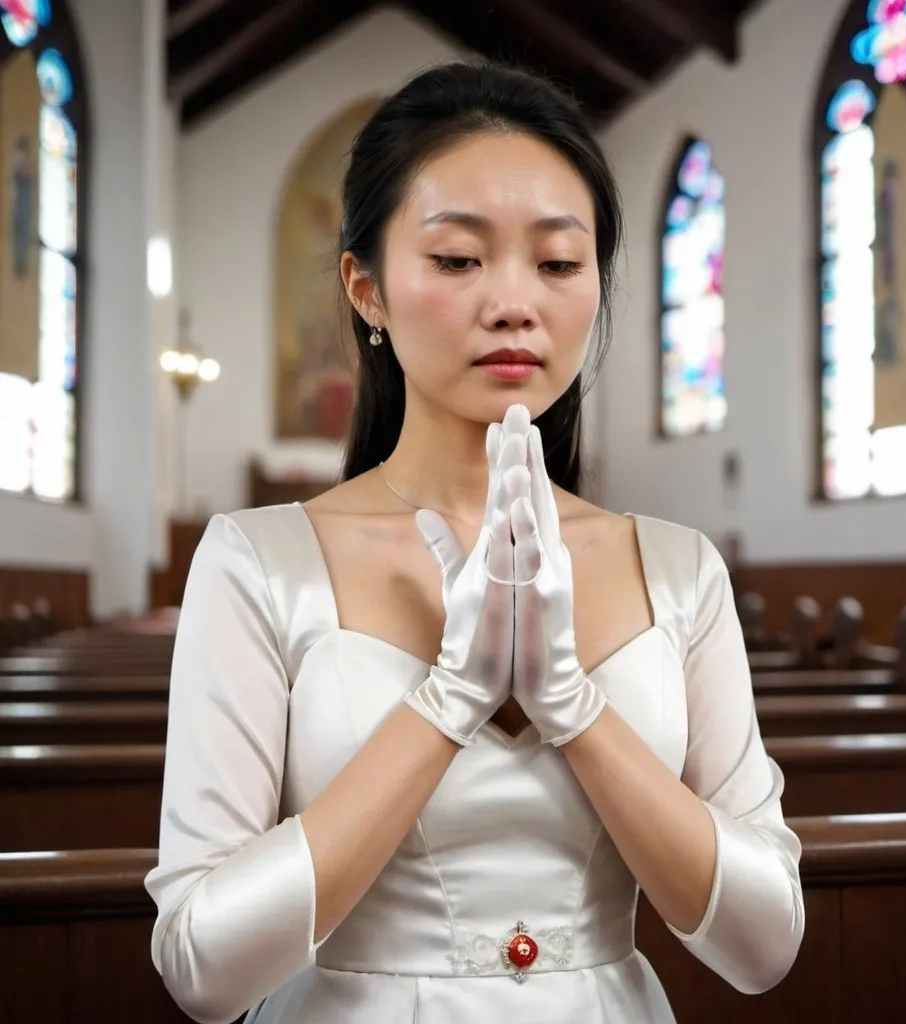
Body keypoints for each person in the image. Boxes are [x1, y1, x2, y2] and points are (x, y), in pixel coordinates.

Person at [145, 61, 804, 1024]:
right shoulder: (257, 561)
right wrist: (447, 699)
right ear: (365, 288)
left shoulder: (681, 570)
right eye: (457, 260)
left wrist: (574, 709)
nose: (513, 303)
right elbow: (201, 971)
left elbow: (764, 945)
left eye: (558, 262)